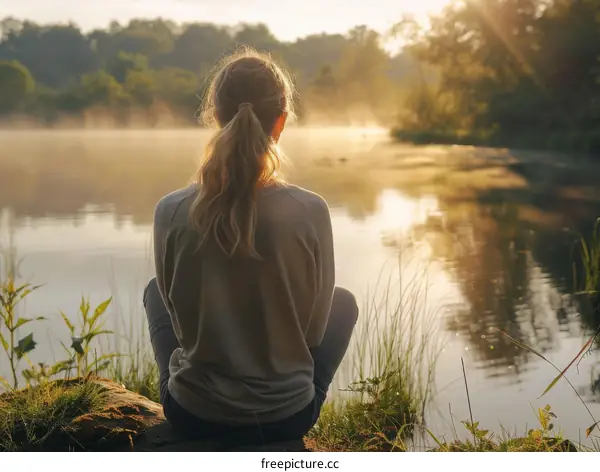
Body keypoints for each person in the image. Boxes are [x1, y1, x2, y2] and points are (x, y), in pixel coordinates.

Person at [143, 47, 359, 446]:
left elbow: (178, 324)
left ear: (216, 118)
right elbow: (311, 336)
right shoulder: (310, 210)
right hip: (285, 418)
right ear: (280, 123)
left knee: (154, 290)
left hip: (194, 414)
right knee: (342, 302)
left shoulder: (170, 210)